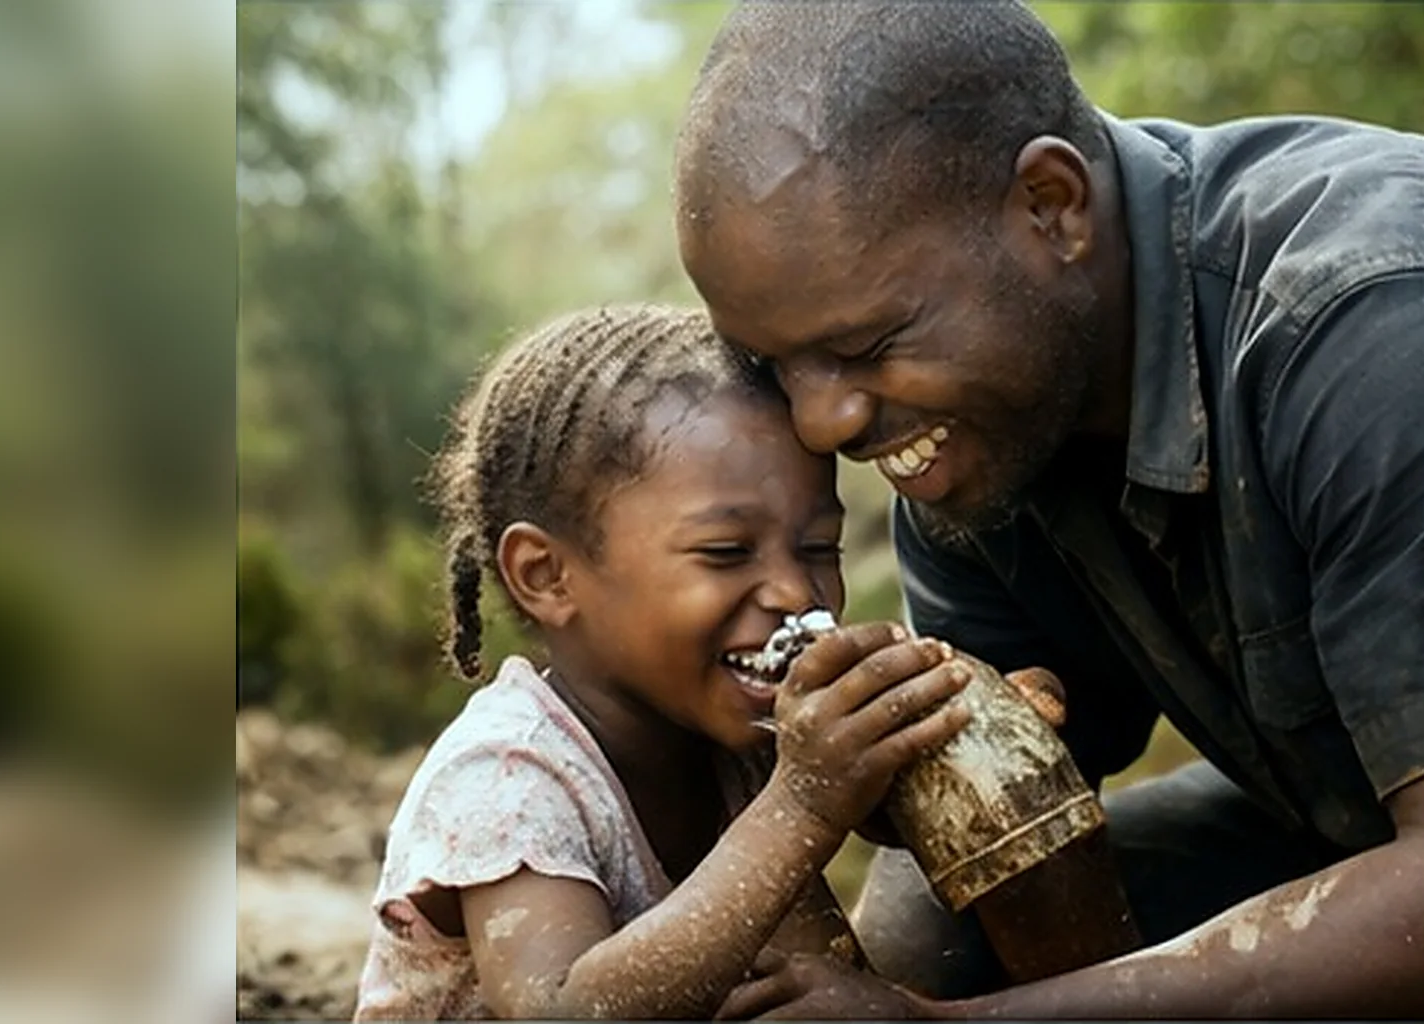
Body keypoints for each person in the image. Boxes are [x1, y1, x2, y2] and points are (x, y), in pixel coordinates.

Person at [674, 1, 1424, 1019]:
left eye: (865, 348)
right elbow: (994, 832)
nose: (823, 424)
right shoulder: (983, 434)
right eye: (778, 364)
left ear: (1050, 207)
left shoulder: (1386, 327)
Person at [350, 304, 976, 1019]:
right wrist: (803, 803)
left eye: (817, 549)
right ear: (547, 575)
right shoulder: (507, 780)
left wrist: (942, 742)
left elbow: (809, 980)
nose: (796, 593)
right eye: (725, 553)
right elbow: (561, 1015)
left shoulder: (738, 737)